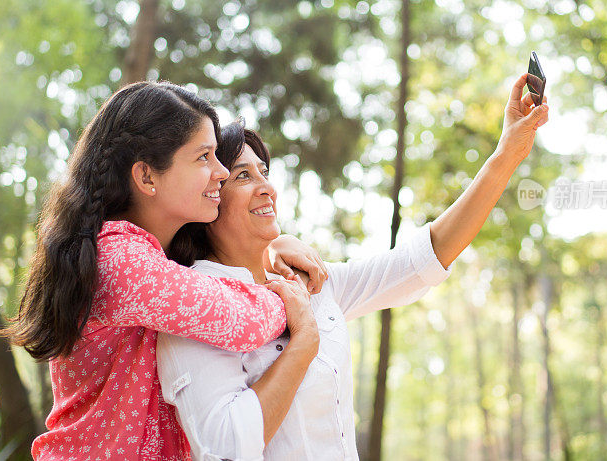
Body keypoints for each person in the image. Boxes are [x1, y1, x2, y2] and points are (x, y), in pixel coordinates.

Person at [157, 73, 550, 460]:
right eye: (243, 175)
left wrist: (508, 152)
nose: (266, 186)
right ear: (208, 198)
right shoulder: (191, 305)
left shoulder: (309, 280)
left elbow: (423, 258)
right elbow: (226, 446)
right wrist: (305, 341)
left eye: (264, 172)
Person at [3, 81, 327, 459]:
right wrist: (294, 295)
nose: (221, 171)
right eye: (204, 157)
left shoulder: (159, 258)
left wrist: (273, 244)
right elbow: (240, 319)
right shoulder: (119, 260)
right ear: (146, 177)